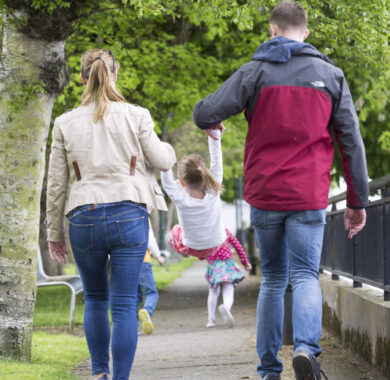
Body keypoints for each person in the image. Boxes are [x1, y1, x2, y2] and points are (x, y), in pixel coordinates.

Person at [193, 2, 368, 379]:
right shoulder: (331, 75)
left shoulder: (253, 73)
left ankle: (269, 370)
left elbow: (205, 113)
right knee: (305, 274)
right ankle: (306, 350)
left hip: (266, 193)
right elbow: (351, 143)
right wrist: (357, 202)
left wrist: (215, 121)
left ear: (273, 30)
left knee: (273, 279)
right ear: (305, 33)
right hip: (308, 195)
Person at [46, 48, 176, 380]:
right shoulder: (138, 115)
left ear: (81, 78)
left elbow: (57, 184)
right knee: (122, 306)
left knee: (94, 299)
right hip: (129, 215)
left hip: (83, 216)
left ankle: (99, 373)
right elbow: (162, 160)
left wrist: (54, 234)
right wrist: (171, 150)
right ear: (115, 73)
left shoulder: (63, 123)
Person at [161, 128, 226, 259]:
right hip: (216, 244)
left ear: (182, 182)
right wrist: (215, 135)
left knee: (174, 230)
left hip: (192, 247)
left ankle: (182, 249)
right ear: (204, 175)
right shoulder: (213, 190)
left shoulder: (181, 199)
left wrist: (165, 153)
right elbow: (217, 162)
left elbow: (167, 183)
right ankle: (199, 252)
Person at [205, 228, 252, 328]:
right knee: (228, 289)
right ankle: (226, 308)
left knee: (213, 291)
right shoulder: (225, 231)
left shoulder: (205, 233)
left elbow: (200, 254)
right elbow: (238, 247)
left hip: (213, 266)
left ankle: (211, 319)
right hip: (227, 265)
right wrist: (245, 262)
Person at [137, 216, 165, 335]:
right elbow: (150, 239)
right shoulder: (142, 215)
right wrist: (158, 255)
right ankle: (147, 311)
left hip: (127, 262)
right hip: (143, 261)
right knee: (151, 292)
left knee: (134, 296)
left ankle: (133, 328)